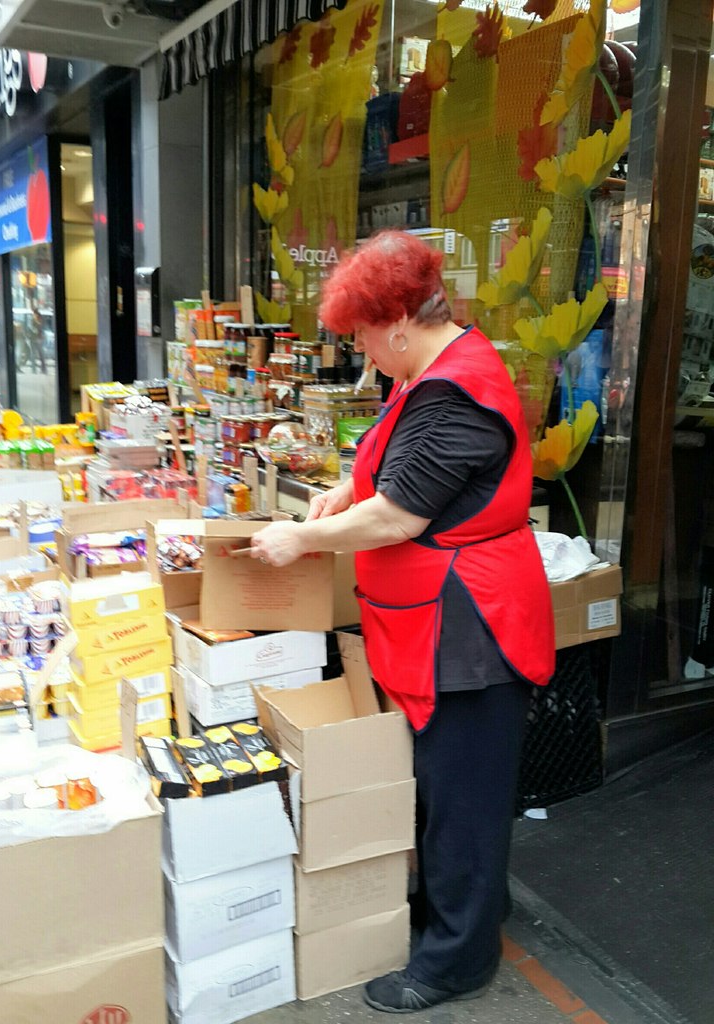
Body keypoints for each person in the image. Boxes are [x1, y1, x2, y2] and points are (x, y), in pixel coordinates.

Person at [250, 230, 555, 1013]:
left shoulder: (457, 392)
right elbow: (396, 476)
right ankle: (469, 909)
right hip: (440, 619)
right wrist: (346, 492)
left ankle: (457, 960)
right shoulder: (432, 372)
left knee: (462, 796)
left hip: (472, 626)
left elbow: (399, 517)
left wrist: (302, 538)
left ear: (396, 324)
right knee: (452, 788)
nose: (359, 350)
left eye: (360, 334)